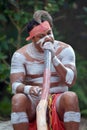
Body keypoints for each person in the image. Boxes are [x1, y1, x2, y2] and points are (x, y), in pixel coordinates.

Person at [10, 10, 81, 130]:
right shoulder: (21, 55)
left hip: (58, 100)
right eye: (41, 36)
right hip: (33, 101)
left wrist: (54, 58)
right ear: (32, 38)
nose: (48, 38)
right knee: (18, 99)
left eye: (49, 33)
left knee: (71, 97)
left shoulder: (65, 50)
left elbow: (71, 81)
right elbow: (14, 86)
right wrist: (29, 89)